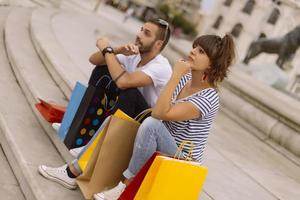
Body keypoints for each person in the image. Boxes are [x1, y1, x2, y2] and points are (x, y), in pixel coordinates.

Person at [93, 33, 236, 200]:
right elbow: (161, 106)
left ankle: (125, 186)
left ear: (212, 65)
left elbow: (160, 113)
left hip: (183, 157)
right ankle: (83, 162)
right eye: (195, 47)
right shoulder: (186, 78)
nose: (193, 52)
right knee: (125, 117)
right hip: (166, 142)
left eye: (201, 51)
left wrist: (175, 76)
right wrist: (178, 77)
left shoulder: (209, 97)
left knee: (151, 124)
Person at [38, 18, 172, 189]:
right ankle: (82, 131)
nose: (138, 35)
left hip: (143, 127)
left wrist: (107, 49)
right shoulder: (134, 54)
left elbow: (125, 82)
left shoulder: (161, 67)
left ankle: (76, 167)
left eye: (146, 33)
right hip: (125, 116)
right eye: (141, 29)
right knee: (103, 69)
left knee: (129, 90)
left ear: (158, 44)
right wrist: (116, 50)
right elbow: (93, 60)